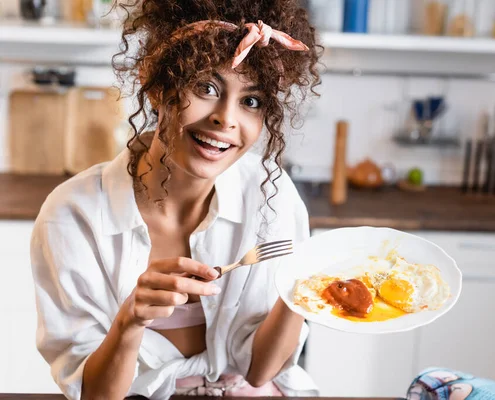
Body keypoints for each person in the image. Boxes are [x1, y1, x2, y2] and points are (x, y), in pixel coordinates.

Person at [30, 1, 321, 399]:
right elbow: (97, 394)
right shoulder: (72, 214)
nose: (226, 119)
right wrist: (129, 322)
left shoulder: (271, 195)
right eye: (206, 88)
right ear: (157, 87)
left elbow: (260, 372)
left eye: (251, 101)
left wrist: (307, 287)